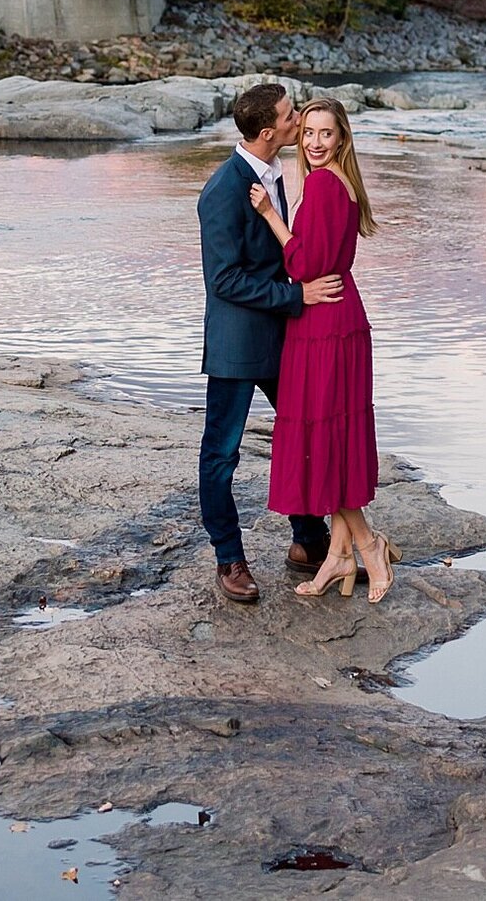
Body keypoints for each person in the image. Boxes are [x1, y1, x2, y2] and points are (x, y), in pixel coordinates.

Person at [249, 97, 399, 604]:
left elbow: (303, 265)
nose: (314, 142)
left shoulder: (323, 185)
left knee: (325, 439)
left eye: (325, 134)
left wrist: (270, 215)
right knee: (330, 435)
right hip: (335, 317)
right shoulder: (341, 182)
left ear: (342, 139)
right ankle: (338, 556)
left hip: (324, 323)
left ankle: (369, 545)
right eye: (308, 132)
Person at [197, 82, 342, 605]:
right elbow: (224, 280)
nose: (297, 120)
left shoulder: (278, 171)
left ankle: (308, 541)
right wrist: (297, 294)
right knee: (222, 453)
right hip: (238, 344)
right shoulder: (222, 190)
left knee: (303, 435)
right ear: (266, 132)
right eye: (289, 116)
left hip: (285, 338)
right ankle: (229, 558)